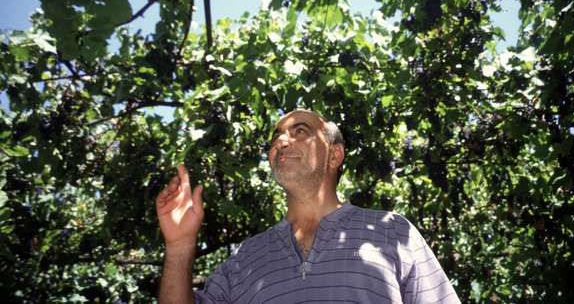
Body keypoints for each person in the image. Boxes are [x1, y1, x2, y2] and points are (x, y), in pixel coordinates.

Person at [156, 109, 460, 303]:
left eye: (299, 131)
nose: (281, 143)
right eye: (276, 138)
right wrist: (180, 246)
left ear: (334, 155)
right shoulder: (246, 257)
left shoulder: (392, 231)